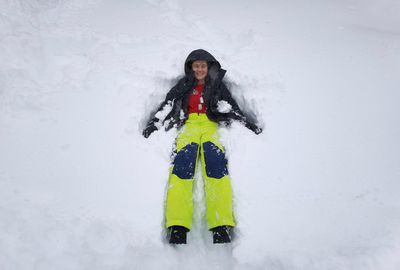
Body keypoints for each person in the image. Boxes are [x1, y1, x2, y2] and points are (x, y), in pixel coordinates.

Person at [142, 49, 262, 244]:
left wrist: (248, 123)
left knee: (216, 171)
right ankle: (178, 225)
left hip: (210, 127)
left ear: (209, 67)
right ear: (191, 67)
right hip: (188, 127)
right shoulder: (184, 84)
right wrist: (154, 123)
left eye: (203, 66)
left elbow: (231, 105)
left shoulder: (217, 85)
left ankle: (221, 225)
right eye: (196, 65)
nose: (199, 69)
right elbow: (168, 104)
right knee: (181, 172)